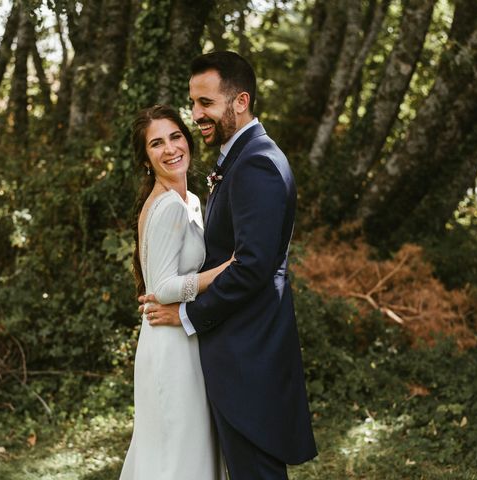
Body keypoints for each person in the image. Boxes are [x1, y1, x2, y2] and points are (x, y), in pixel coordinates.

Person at [143, 51, 318, 479]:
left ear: (240, 102)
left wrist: (187, 313)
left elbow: (251, 268)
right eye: (194, 103)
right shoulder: (241, 158)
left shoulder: (256, 163)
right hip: (239, 355)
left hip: (249, 356)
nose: (196, 114)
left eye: (206, 103)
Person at [119, 105, 230, 480]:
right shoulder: (167, 206)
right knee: (177, 454)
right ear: (146, 159)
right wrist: (226, 270)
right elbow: (163, 287)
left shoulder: (190, 201)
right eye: (156, 143)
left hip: (184, 334)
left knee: (184, 447)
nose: (170, 148)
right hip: (170, 344)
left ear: (188, 140)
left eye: (175, 136)